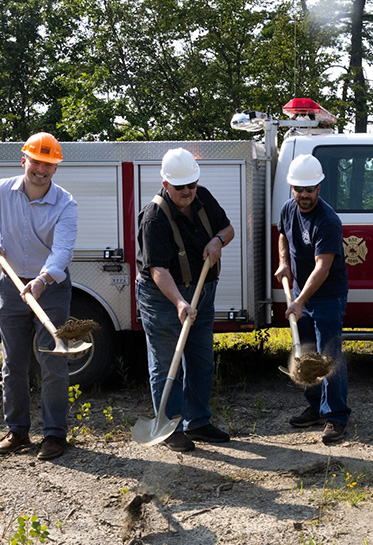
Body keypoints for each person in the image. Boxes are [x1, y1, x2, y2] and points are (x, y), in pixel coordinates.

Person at [0, 132, 78, 460]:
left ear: (55, 168)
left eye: (49, 164)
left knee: (53, 361)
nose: (41, 170)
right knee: (13, 362)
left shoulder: (66, 203)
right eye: (36, 162)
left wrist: (43, 280)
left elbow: (62, 251)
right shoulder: (3, 190)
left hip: (51, 289)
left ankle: (54, 435)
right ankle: (17, 431)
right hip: (12, 285)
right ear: (24, 161)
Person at [136, 147, 235, 452]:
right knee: (168, 363)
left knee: (202, 360)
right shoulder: (154, 218)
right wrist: (180, 302)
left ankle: (198, 422)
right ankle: (170, 428)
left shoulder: (202, 197)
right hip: (163, 297)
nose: (188, 192)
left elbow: (227, 229)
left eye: (191, 184)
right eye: (180, 187)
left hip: (203, 291)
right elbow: (158, 270)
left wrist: (218, 241)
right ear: (166, 185)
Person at [275, 154, 351, 445]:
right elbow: (283, 234)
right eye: (299, 189)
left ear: (319, 187)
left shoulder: (328, 221)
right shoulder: (287, 209)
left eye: (309, 189)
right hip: (301, 296)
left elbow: (323, 266)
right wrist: (284, 263)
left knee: (329, 355)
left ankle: (337, 415)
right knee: (305, 352)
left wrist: (300, 300)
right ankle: (317, 406)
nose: (304, 195)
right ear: (292, 188)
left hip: (327, 295)